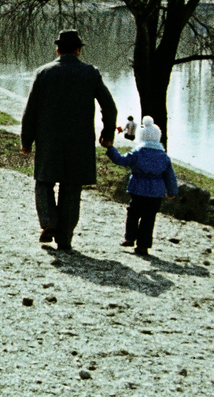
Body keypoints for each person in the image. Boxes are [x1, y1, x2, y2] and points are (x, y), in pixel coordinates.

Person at [20, 29, 117, 251]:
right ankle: (64, 239)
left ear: (57, 50)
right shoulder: (91, 73)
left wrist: (27, 140)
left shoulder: (43, 73)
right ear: (78, 50)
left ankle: (49, 221)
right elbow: (109, 107)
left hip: (49, 140)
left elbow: (30, 110)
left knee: (44, 181)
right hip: (80, 142)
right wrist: (107, 134)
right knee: (71, 189)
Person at [106, 116, 178, 256]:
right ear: (158, 137)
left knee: (133, 213)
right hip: (156, 192)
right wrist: (172, 191)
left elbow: (121, 160)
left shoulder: (138, 152)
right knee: (149, 218)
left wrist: (110, 149)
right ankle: (143, 246)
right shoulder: (164, 157)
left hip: (138, 189)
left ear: (142, 137)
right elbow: (170, 176)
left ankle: (130, 237)